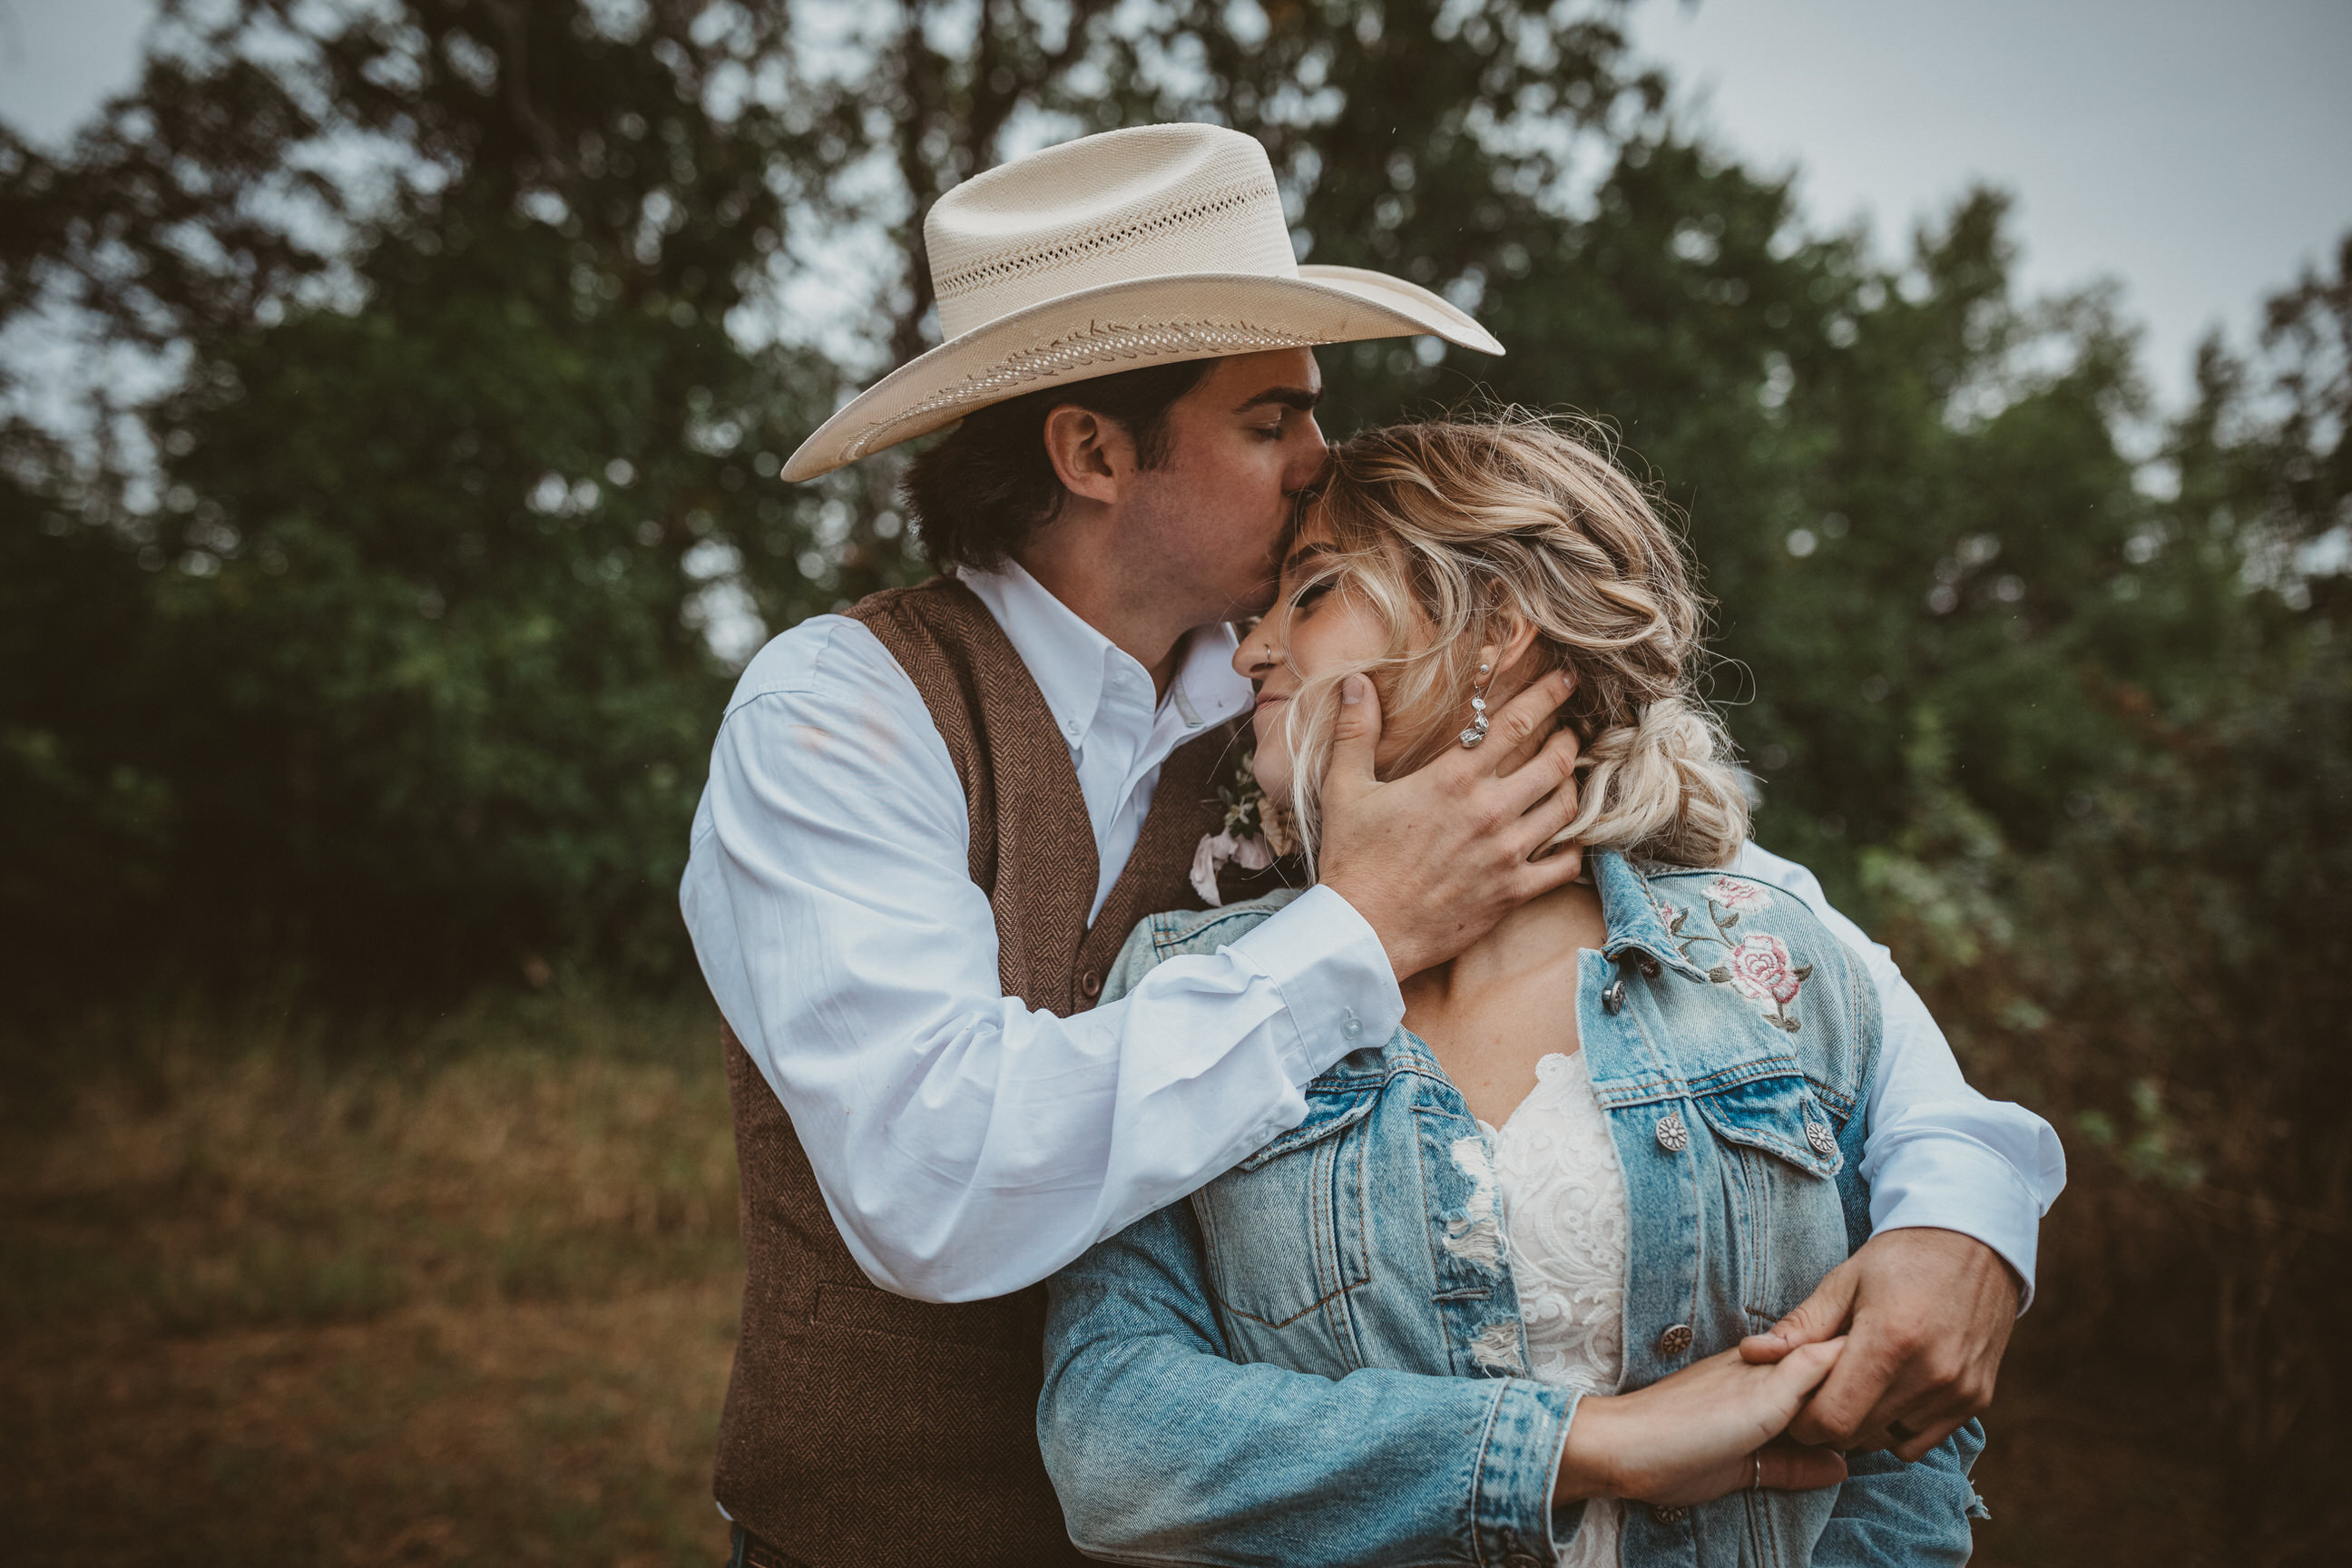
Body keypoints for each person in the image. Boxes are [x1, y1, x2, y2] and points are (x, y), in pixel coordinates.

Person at [681, 124, 2063, 1568]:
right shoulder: (844, 709)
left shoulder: (1312, 701)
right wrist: (1359, 928)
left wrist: (1964, 1213)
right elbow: (934, 1178)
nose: (1319, 457)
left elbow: (1772, 962)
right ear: (1093, 450)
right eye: (1270, 419)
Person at [1041, 413, 1998, 1565]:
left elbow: (1897, 1439)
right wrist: (1580, 1444)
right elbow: (1112, 1442)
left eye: (1313, 591)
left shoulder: (1768, 961)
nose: (1250, 651)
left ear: (1490, 626)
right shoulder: (1179, 978)